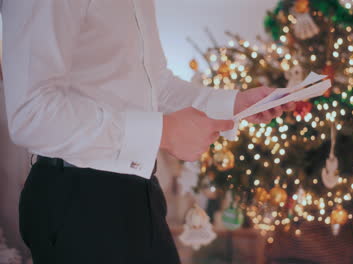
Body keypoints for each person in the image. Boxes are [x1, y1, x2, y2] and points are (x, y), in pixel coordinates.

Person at [0, 0, 294, 263]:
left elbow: (156, 84)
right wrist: (163, 131)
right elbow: (31, 113)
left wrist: (235, 102)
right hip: (77, 204)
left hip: (139, 195)